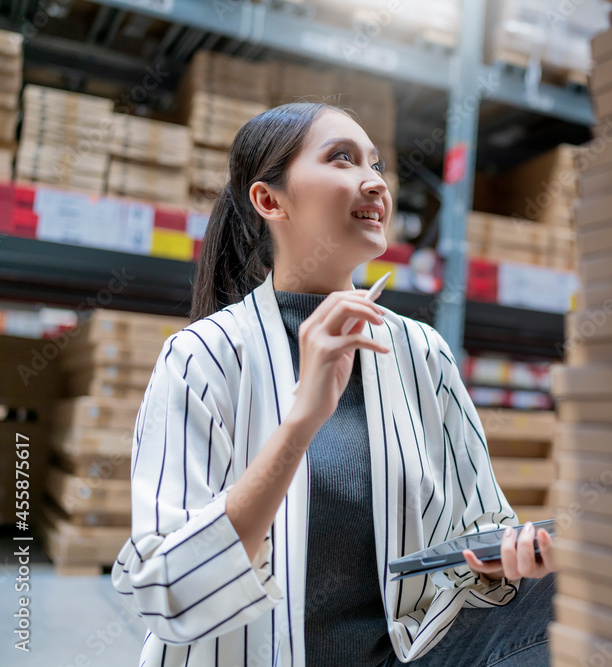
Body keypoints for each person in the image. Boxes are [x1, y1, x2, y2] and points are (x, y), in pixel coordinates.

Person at [110, 102, 557, 666]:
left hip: (403, 655)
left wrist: (508, 556)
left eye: (376, 164)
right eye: (342, 159)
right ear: (270, 200)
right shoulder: (204, 357)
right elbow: (164, 588)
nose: (374, 182)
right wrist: (301, 421)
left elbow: (482, 523)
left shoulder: (422, 351)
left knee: (580, 595)